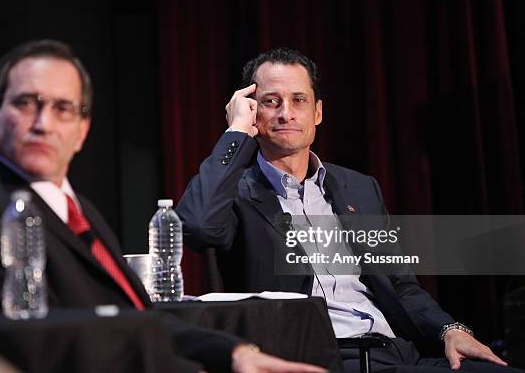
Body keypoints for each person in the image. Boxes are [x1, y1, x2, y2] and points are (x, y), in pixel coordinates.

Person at [0, 40, 325, 373]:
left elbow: (135, 318)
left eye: (64, 108)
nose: (44, 124)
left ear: (82, 130)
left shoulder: (75, 208)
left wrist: (234, 353)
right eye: (28, 103)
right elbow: (43, 348)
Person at [176, 47, 523, 372]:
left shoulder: (358, 187)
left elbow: (400, 285)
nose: (286, 112)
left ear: (318, 112)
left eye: (299, 99)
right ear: (253, 110)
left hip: (396, 349)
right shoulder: (235, 192)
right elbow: (197, 226)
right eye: (271, 101)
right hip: (321, 355)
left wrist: (449, 330)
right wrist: (236, 130)